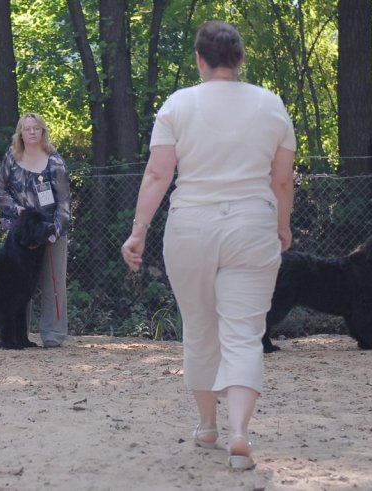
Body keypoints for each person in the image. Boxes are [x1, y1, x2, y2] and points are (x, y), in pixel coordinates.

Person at [121, 21, 295, 471]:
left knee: (199, 328)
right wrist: (282, 225)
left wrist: (138, 230)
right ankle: (240, 433)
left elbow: (159, 175)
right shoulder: (271, 104)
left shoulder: (178, 104)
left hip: (191, 226)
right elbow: (281, 180)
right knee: (243, 334)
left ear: (200, 59)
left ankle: (207, 425)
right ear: (240, 58)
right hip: (253, 224)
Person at [0, 112, 70, 348]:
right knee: (17, 282)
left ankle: (53, 334)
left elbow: (64, 200)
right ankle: (18, 334)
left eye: (36, 128)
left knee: (53, 282)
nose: (32, 132)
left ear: (43, 131)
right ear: (20, 133)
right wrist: (14, 210)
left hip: (49, 229)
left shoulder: (55, 161)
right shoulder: (12, 157)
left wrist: (55, 230)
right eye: (27, 128)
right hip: (22, 232)